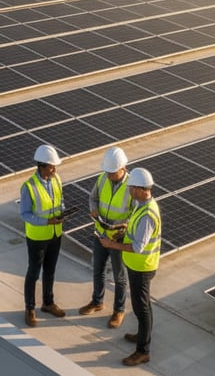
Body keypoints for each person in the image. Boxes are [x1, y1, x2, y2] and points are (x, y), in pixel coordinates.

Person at [96, 167, 161, 367]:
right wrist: (123, 234)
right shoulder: (142, 205)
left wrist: (111, 244)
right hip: (138, 265)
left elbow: (138, 246)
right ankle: (142, 336)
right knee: (144, 306)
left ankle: (143, 351)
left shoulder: (147, 214)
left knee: (142, 309)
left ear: (141, 189)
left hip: (142, 267)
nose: (129, 191)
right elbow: (135, 234)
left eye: (132, 188)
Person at [78, 146, 131, 329]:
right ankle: (97, 301)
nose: (109, 175)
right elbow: (93, 197)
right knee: (98, 269)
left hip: (118, 238)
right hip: (101, 233)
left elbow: (137, 213)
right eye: (108, 172)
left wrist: (125, 227)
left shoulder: (132, 186)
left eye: (112, 172)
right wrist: (93, 209)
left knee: (119, 276)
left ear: (123, 168)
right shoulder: (102, 178)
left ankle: (119, 310)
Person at [20, 144, 67, 327]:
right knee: (33, 272)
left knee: (50, 270)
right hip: (38, 237)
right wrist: (46, 221)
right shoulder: (29, 187)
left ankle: (48, 302)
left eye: (55, 167)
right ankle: (29, 308)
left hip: (55, 233)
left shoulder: (56, 179)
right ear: (41, 166)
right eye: (51, 167)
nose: (54, 170)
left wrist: (63, 212)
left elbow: (60, 201)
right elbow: (25, 214)